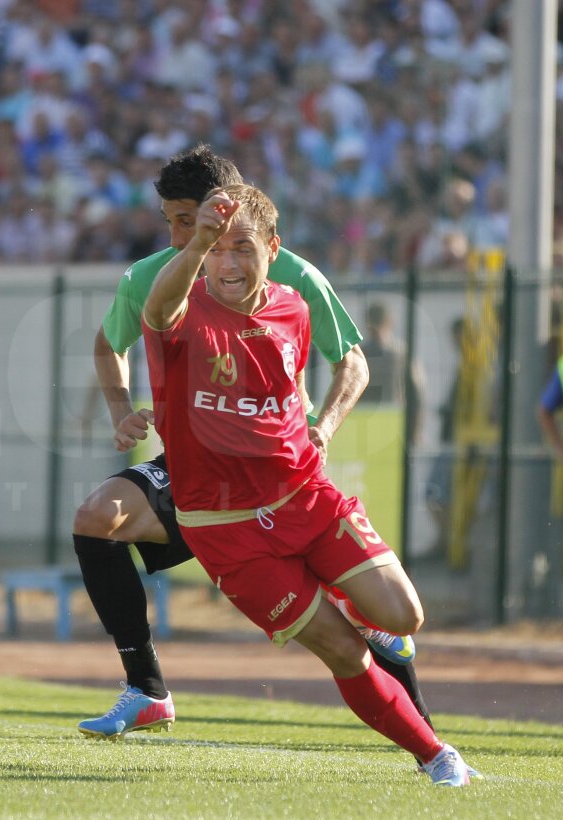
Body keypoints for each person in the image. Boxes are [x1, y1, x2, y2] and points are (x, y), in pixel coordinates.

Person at [73, 146, 434, 741]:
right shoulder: (150, 277)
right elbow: (108, 344)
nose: (183, 233)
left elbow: (354, 363)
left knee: (378, 617)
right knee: (96, 519)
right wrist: (120, 411)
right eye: (172, 219)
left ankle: (427, 736)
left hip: (281, 472)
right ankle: (146, 689)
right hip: (196, 471)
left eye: (190, 218)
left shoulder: (289, 271)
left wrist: (326, 426)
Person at [140, 182, 474, 786]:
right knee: (343, 651)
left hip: (305, 497)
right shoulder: (183, 308)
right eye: (217, 250)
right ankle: (436, 756)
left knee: (405, 618)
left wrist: (318, 426)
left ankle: (350, 600)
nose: (228, 263)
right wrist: (196, 246)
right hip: (225, 530)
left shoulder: (294, 306)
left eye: (242, 248)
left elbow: (324, 373)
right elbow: (157, 314)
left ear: (274, 246)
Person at [358, 301, 425, 444]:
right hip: (393, 423)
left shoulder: (360, 353)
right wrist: (416, 432)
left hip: (367, 423)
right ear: (390, 321)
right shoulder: (402, 353)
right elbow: (417, 394)